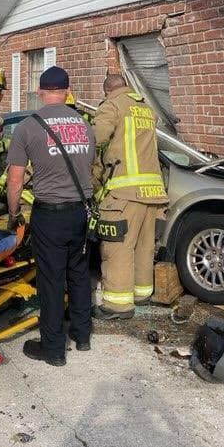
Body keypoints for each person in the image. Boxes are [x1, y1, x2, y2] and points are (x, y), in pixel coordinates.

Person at [5, 65, 95, 366]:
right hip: (80, 212)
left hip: (50, 214)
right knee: (79, 274)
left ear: (41, 92)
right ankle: (82, 336)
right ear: (67, 91)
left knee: (51, 280)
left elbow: (15, 180)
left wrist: (14, 213)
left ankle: (54, 348)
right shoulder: (84, 125)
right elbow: (89, 166)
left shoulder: (28, 127)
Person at [91, 75, 168, 319]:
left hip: (124, 193)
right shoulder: (145, 108)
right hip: (153, 193)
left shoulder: (112, 105)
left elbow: (94, 140)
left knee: (118, 249)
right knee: (144, 248)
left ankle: (117, 305)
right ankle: (142, 294)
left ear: (107, 90)